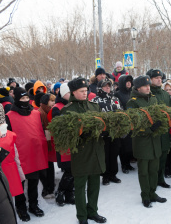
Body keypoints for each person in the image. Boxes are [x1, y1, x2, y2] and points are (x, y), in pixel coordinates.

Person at [61, 77, 107, 224]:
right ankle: (82, 216)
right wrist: (80, 134)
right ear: (73, 92)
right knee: (80, 186)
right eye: (81, 91)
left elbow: (103, 123)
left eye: (86, 90)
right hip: (80, 153)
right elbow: (65, 134)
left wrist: (104, 131)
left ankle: (93, 211)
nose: (85, 93)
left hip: (96, 150)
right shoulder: (68, 110)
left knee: (95, 184)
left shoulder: (94, 106)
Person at [6, 87, 48, 221]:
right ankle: (21, 208)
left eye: (26, 98)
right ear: (16, 100)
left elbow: (40, 130)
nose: (25, 101)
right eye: (22, 98)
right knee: (20, 184)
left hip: (34, 153)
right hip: (19, 155)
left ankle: (34, 205)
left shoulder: (35, 113)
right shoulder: (9, 116)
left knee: (34, 182)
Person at [126, 75, 166, 208]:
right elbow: (134, 125)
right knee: (144, 171)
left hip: (155, 141)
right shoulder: (133, 102)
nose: (148, 87)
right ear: (138, 88)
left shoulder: (153, 98)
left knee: (154, 170)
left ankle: (153, 193)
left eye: (149, 85)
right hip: (142, 142)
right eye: (145, 86)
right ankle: (145, 196)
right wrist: (149, 129)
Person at [91, 79, 122, 185]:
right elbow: (93, 117)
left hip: (115, 132)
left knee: (114, 154)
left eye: (109, 85)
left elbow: (121, 112)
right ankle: (105, 175)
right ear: (100, 88)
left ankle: (113, 174)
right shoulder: (95, 100)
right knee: (105, 155)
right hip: (103, 134)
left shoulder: (115, 99)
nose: (108, 87)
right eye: (105, 86)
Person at [147, 69, 171, 189]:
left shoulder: (165, 94)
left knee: (163, 157)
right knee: (153, 159)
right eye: (156, 78)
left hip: (164, 132)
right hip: (153, 132)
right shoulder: (147, 93)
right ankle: (151, 181)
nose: (159, 80)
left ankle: (160, 179)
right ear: (150, 79)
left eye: (160, 78)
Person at [50, 83, 75, 206]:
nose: (71, 95)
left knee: (74, 169)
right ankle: (60, 191)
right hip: (64, 144)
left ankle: (70, 194)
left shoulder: (73, 105)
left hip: (74, 142)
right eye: (69, 93)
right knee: (69, 169)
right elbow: (57, 126)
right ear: (63, 94)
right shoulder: (57, 107)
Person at [114, 74, 135, 173]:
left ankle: (129, 164)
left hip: (133, 123)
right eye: (127, 82)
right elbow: (118, 107)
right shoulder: (117, 94)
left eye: (130, 82)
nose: (129, 83)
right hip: (123, 123)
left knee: (130, 145)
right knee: (124, 146)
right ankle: (124, 165)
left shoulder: (132, 93)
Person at [0, 123, 25, 198]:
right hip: (6, 169)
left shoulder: (10, 136)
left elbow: (16, 156)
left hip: (10, 168)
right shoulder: (10, 135)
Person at [38, 93, 57, 199]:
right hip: (43, 142)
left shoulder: (49, 111)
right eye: (51, 100)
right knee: (45, 166)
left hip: (48, 141)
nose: (53, 102)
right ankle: (47, 187)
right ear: (45, 102)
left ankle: (51, 185)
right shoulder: (40, 113)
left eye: (54, 100)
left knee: (49, 165)